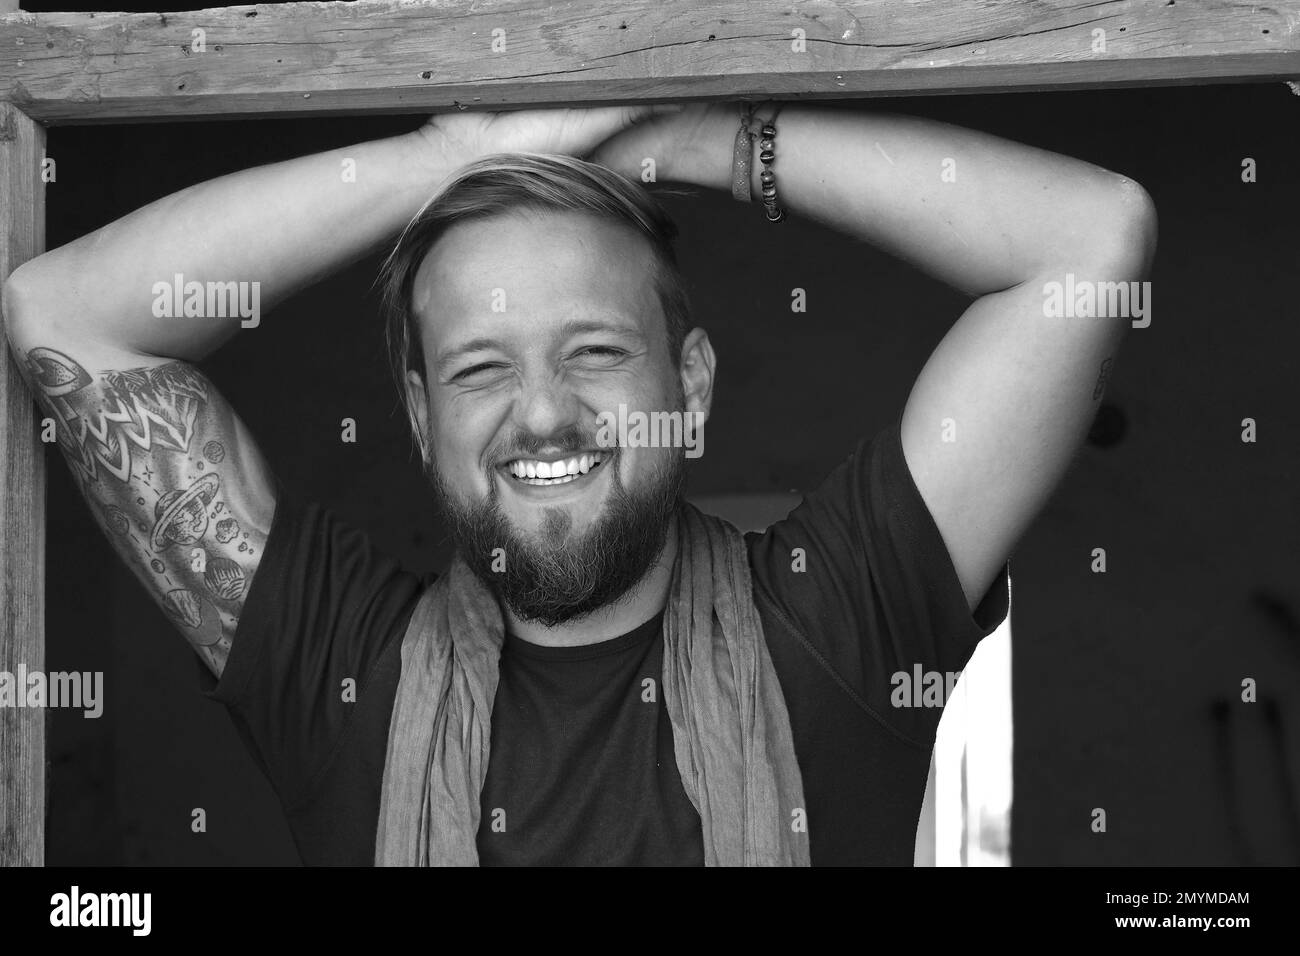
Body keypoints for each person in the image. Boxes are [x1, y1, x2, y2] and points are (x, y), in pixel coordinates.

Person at [1, 101, 1156, 866]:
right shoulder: (342, 669)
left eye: (594, 351)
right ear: (418, 415)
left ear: (690, 387)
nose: (544, 410)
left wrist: (686, 136)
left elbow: (1090, 241)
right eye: (480, 367)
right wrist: (464, 151)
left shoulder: (839, 619)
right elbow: (60, 315)